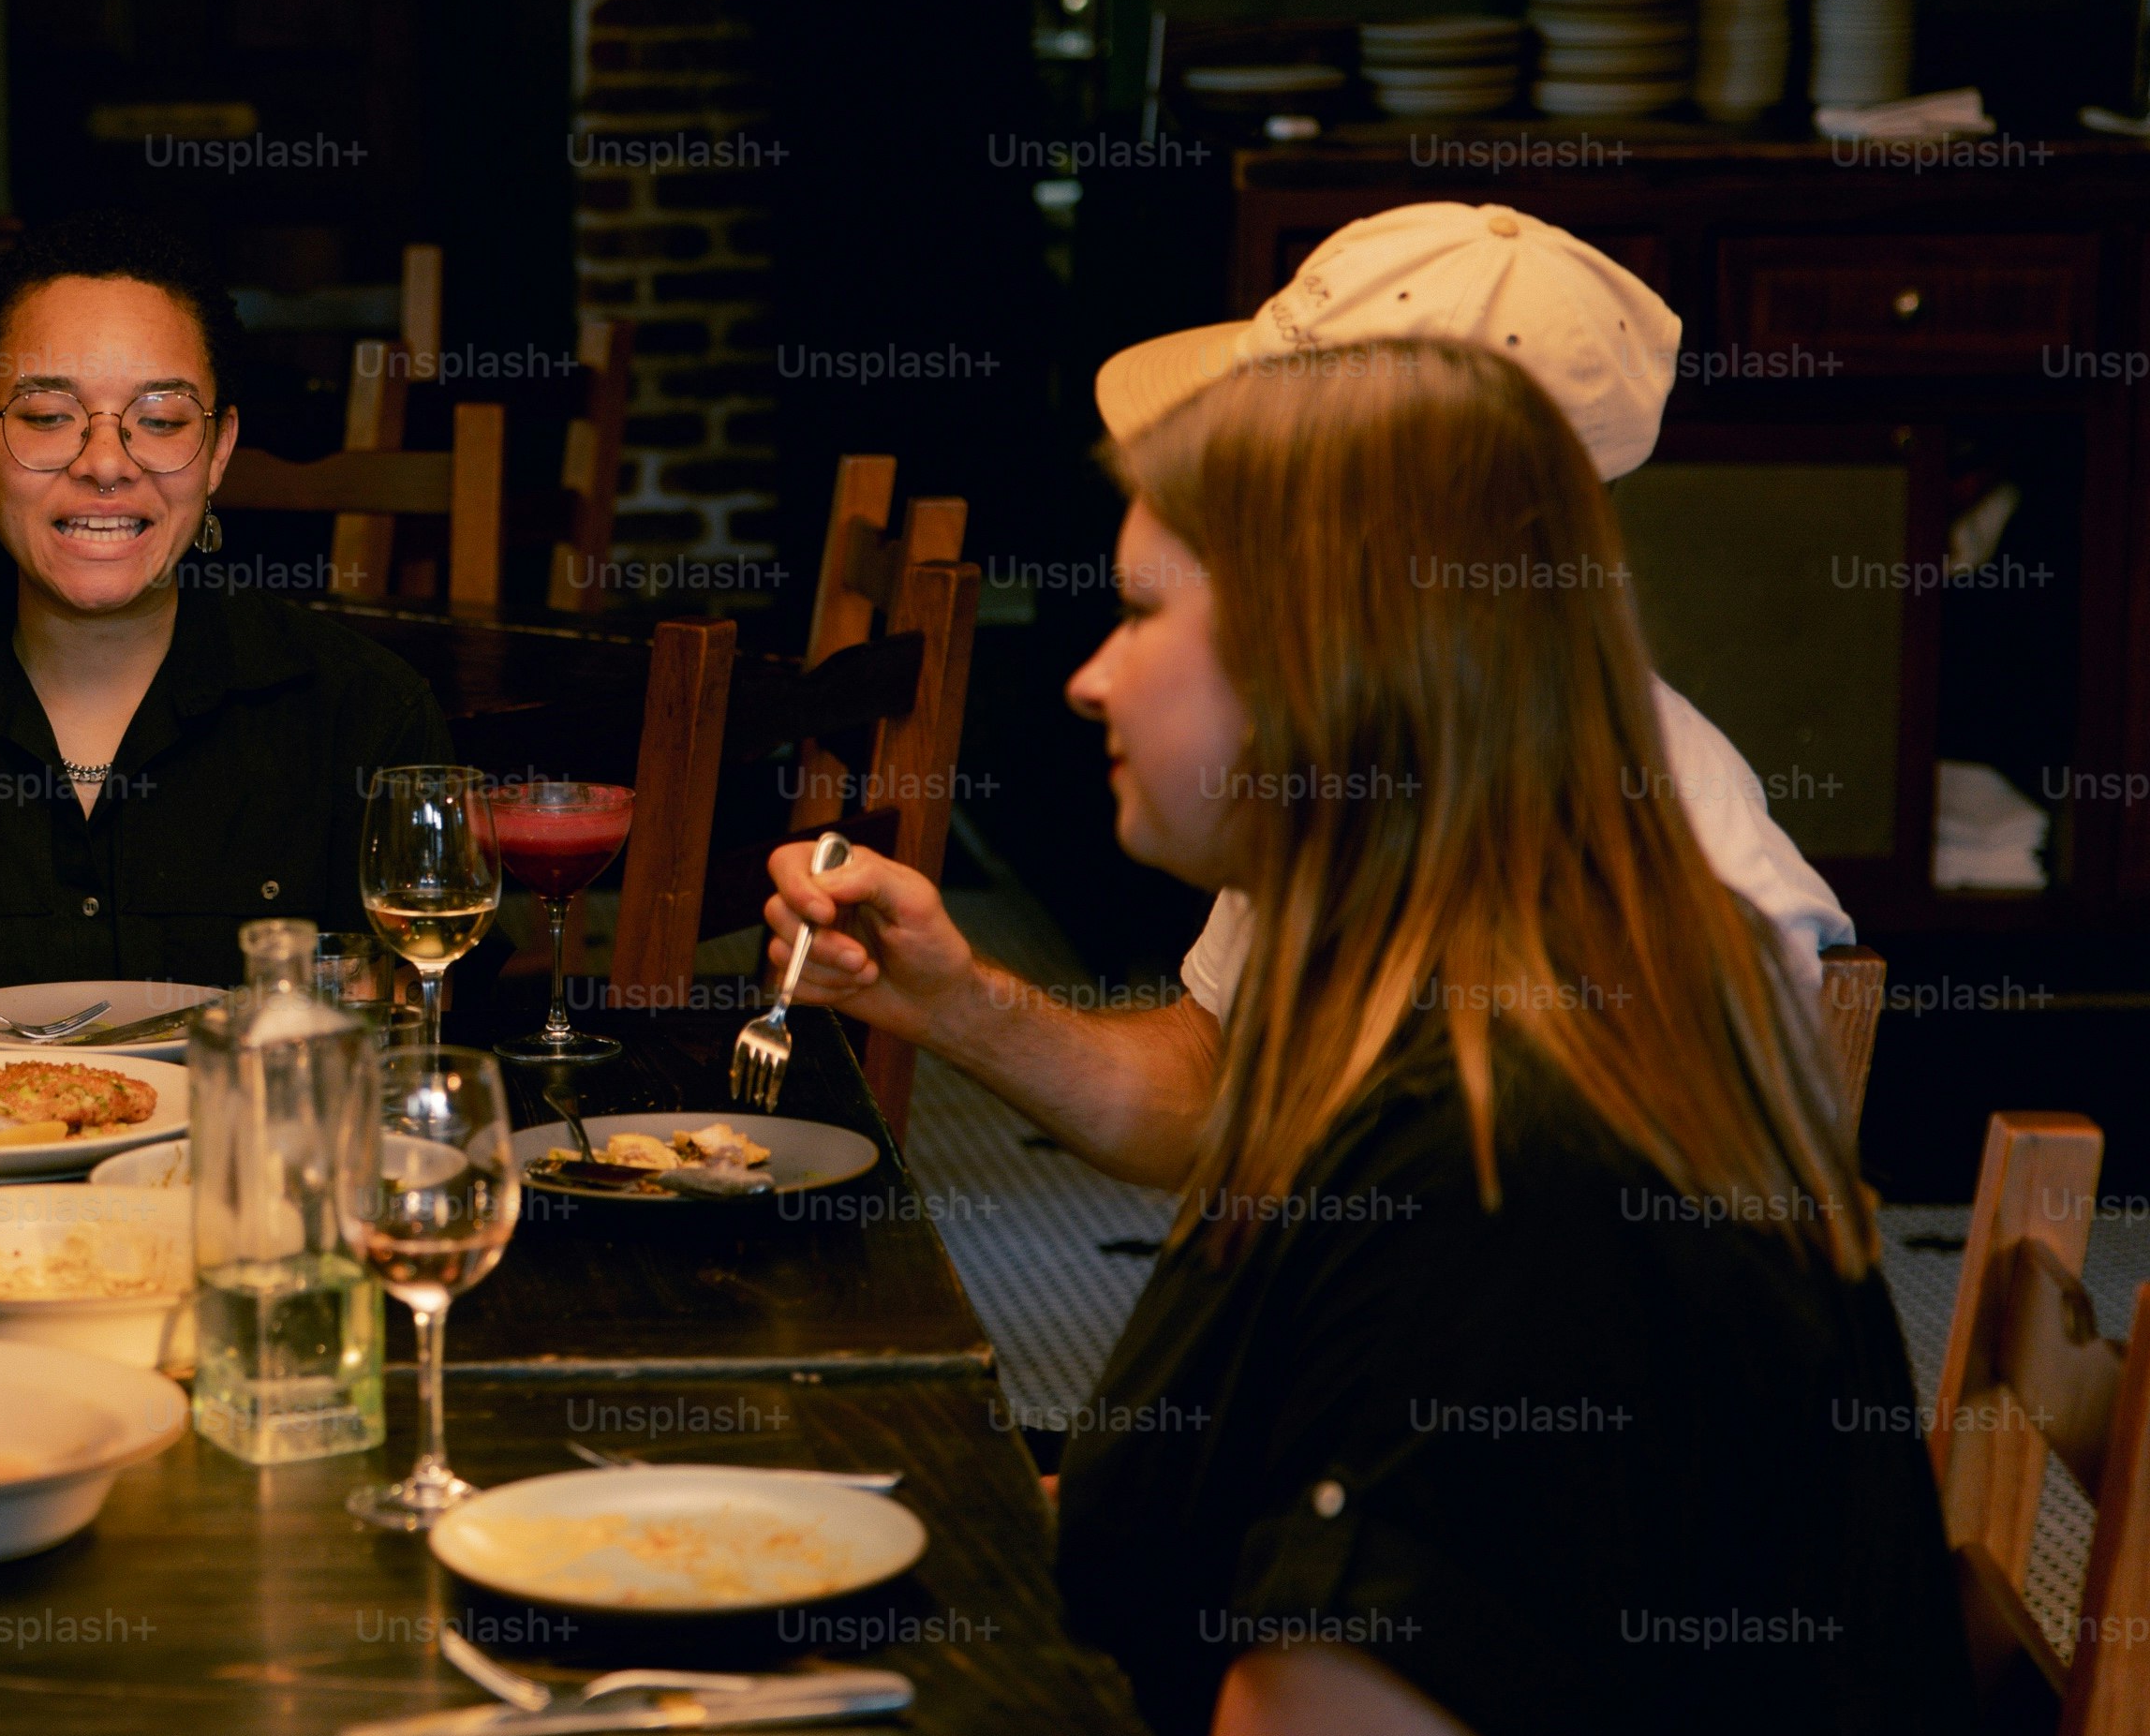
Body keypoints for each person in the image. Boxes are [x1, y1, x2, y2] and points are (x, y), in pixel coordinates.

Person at [1014, 338, 1989, 1736]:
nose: (1088, 679)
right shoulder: (1457, 1027)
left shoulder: (1495, 1153)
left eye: (1141, 611)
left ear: (1330, 655)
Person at [764, 201, 1853, 1186]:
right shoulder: (1363, 747)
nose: (1090, 682)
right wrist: (958, 1003)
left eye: (1153, 605)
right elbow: (1218, 1086)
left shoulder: (1656, 932)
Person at [0, 215, 453, 1000]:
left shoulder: (365, 717)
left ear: (219, 450)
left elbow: (412, 1055)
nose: (106, 464)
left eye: (161, 421)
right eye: (46, 417)